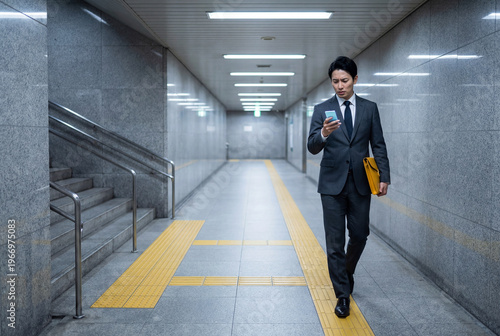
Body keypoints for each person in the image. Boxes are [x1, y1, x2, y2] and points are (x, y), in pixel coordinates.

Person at [307, 56, 390, 318]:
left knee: (360, 234)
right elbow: (312, 146)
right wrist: (324, 134)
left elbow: (378, 143)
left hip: (361, 183)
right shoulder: (322, 109)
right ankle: (342, 295)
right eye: (335, 81)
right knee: (334, 243)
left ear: (355, 79)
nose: (340, 86)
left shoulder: (369, 108)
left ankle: (346, 270)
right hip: (331, 185)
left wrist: (384, 176)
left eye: (344, 80)